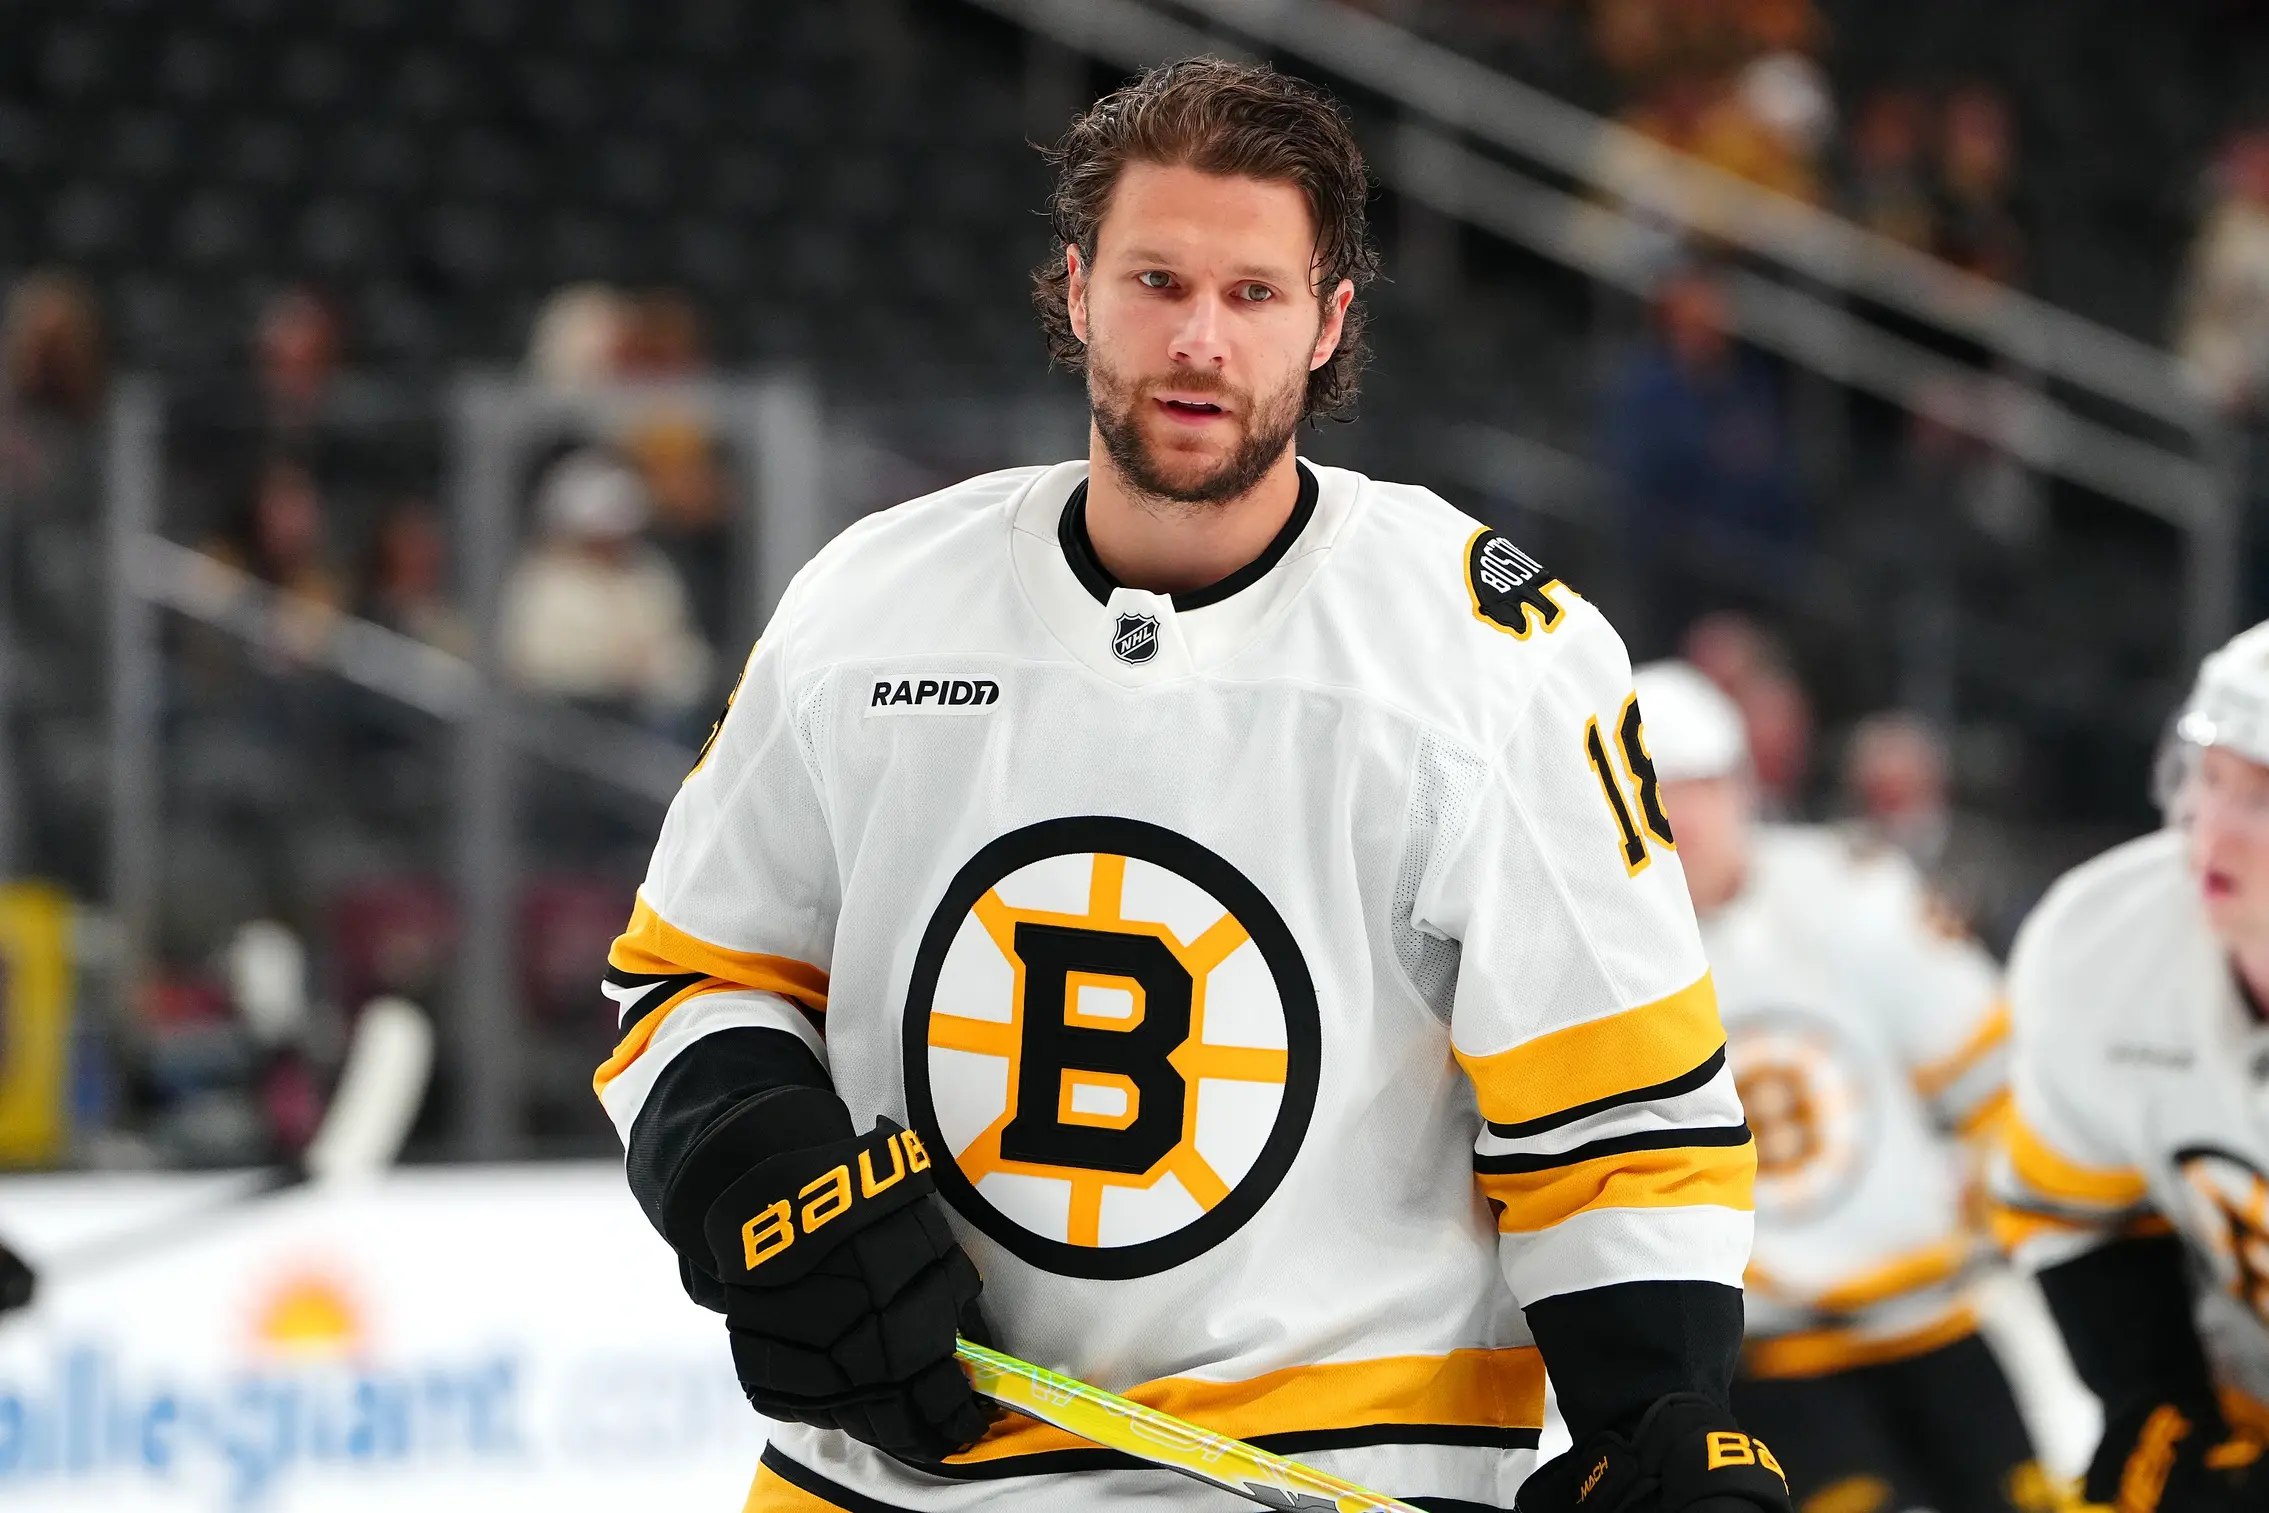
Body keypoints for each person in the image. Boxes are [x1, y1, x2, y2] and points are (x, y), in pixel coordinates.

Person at [594, 58, 1787, 1513]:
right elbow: (690, 977)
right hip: (886, 1475)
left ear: (1331, 320)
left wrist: (1651, 1418)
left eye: (1254, 294)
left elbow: (1620, 1121)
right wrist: (758, 1181)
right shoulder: (870, 604)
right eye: (1157, 281)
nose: (1198, 341)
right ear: (1078, 286)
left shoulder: (1493, 656)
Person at [1636, 661, 2042, 1513]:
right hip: (1777, 1359)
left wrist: (1995, 1196)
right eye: (1656, 786)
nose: (1684, 814)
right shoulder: (1592, 953)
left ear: (1745, 786)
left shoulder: (1848, 888)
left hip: (1934, 1316)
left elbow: (1991, 1070)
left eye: (1704, 784)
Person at [1993, 621, 2269, 1512]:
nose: (2210, 829)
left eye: (2263, 796)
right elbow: (2080, 1211)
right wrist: (2157, 1402)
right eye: (2208, 777)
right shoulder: (2104, 945)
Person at [497, 448, 713, 721]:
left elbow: (682, 649)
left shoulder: (648, 571)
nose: (613, 543)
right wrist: (612, 667)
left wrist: (664, 672)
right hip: (567, 718)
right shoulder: (542, 580)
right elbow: (534, 660)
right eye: (601, 533)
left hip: (648, 713)